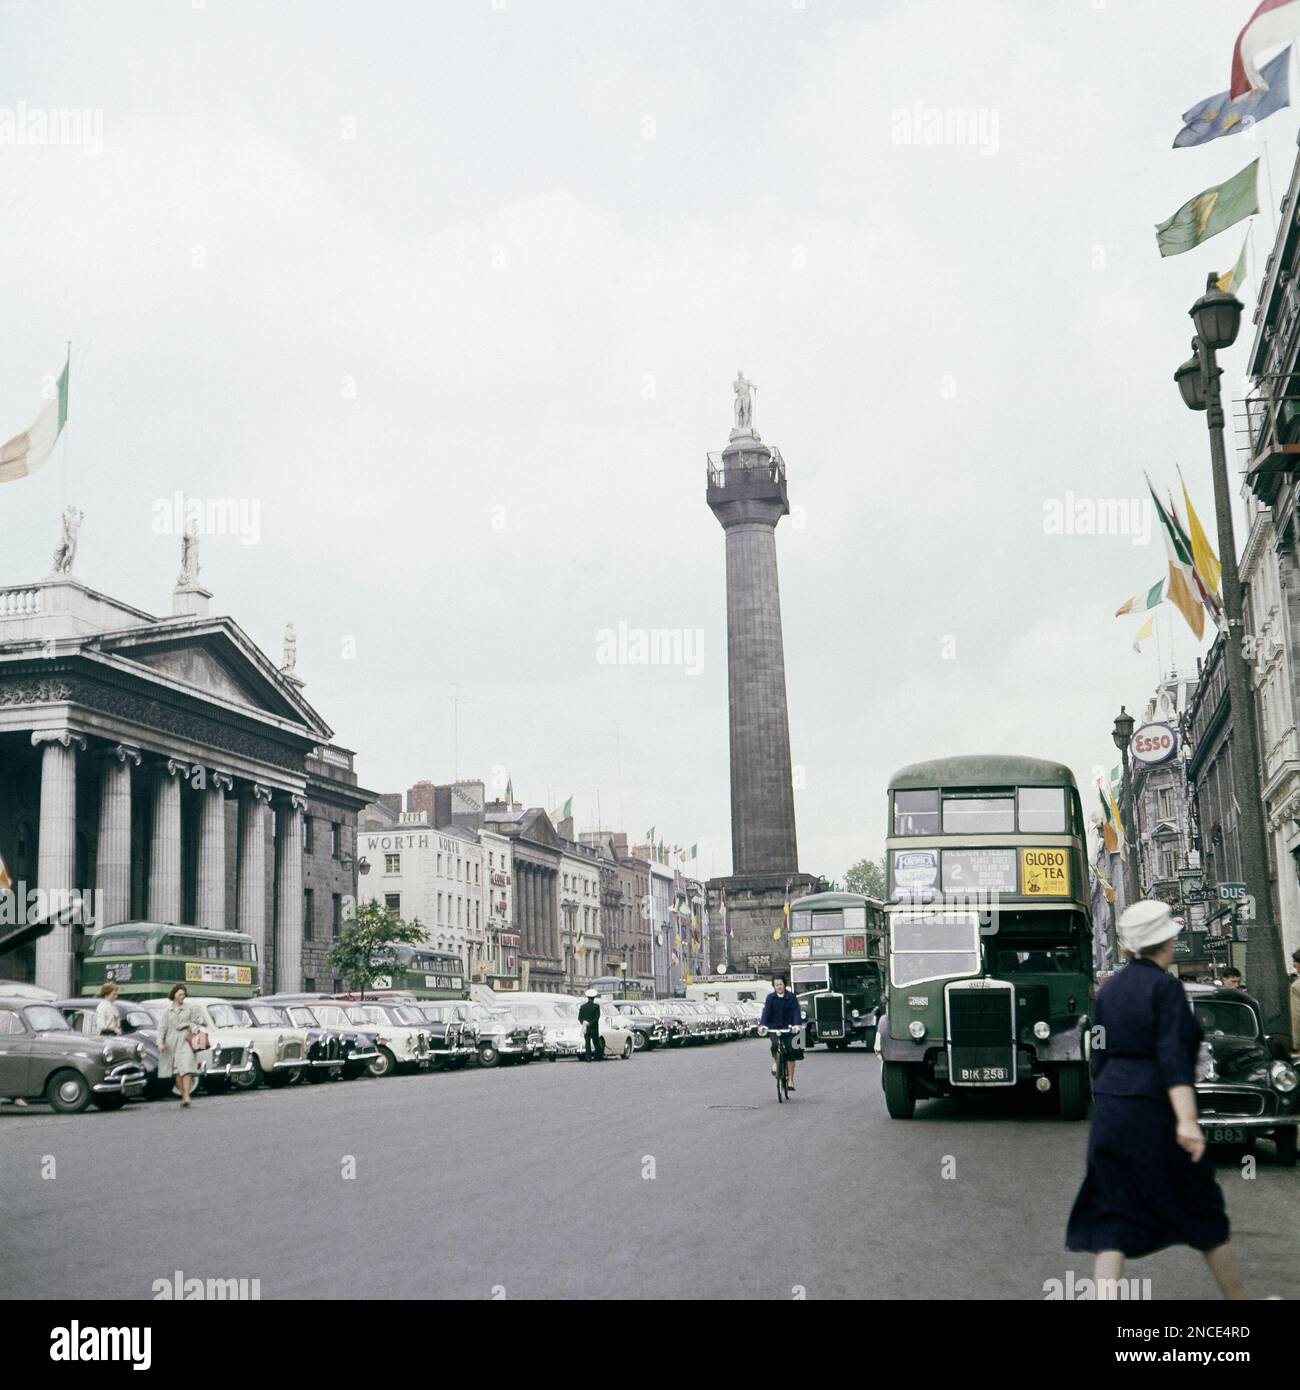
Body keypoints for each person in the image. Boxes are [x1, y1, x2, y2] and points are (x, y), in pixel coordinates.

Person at [1066, 900, 1246, 1298]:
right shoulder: (1166, 988)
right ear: (1165, 941)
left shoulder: (1109, 990)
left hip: (1112, 1109)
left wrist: (1110, 1096)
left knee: (1112, 1210)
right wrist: (1187, 1121)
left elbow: (1098, 1054)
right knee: (1201, 1206)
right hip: (1154, 1111)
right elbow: (1173, 1058)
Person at [157, 983, 205, 1106]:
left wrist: (187, 1025)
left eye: (184, 994)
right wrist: (160, 1043)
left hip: (186, 1042)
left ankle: (187, 1095)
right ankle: (183, 1095)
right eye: (179, 994)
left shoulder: (190, 1008)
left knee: (187, 1069)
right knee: (177, 1071)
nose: (182, 997)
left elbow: (197, 1024)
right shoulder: (167, 1011)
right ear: (174, 995)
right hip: (172, 1044)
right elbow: (162, 1028)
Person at [759, 974, 802, 1092]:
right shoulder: (770, 998)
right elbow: (766, 1012)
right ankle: (775, 1061)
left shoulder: (791, 997)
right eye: (776, 985)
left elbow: (796, 1011)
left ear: (784, 985)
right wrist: (762, 1025)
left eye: (780, 984)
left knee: (791, 1052)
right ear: (774, 986)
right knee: (774, 1045)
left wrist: (797, 1025)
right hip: (774, 1028)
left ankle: (790, 1081)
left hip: (788, 1028)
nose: (779, 987)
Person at [578, 988, 602, 1062]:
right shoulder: (596, 1006)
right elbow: (597, 1017)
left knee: (587, 1043)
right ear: (594, 998)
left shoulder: (582, 1007)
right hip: (594, 1028)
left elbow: (579, 1018)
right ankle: (598, 1056)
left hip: (586, 1028)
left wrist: (584, 1022)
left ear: (587, 997)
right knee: (596, 1043)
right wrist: (590, 1023)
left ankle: (588, 1057)